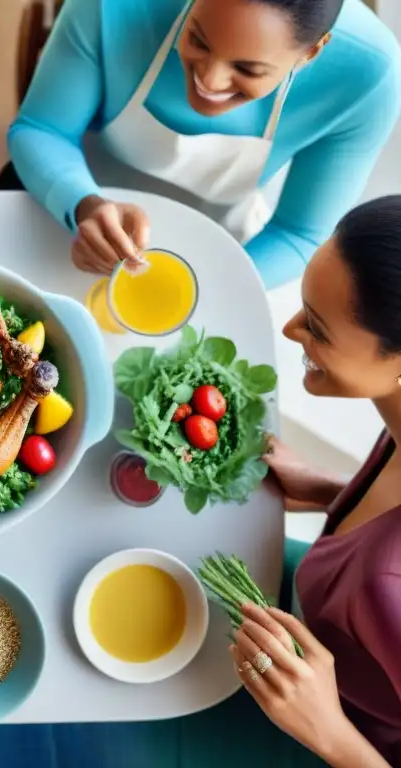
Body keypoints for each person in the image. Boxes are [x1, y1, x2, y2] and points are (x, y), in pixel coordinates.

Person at [4, 0, 400, 289]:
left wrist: (210, 290)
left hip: (225, 244)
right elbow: (41, 129)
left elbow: (300, 232)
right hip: (70, 201)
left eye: (247, 69)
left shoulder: (371, 74)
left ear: (313, 51)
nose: (209, 81)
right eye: (197, 38)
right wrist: (82, 202)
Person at [227, 194, 401, 766]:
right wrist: (336, 490)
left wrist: (327, 731)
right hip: (298, 634)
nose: (289, 326)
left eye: (318, 329)